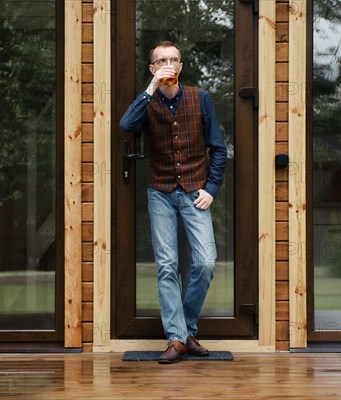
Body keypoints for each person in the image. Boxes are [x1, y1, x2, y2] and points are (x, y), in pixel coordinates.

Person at [119, 41, 227, 364]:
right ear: (153, 68)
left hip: (196, 191)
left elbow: (219, 148)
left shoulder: (200, 98)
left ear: (180, 66)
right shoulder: (147, 101)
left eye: (174, 60)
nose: (169, 64)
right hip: (160, 192)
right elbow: (126, 125)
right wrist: (151, 88)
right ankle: (178, 338)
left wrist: (211, 188)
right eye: (161, 61)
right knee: (167, 266)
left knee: (206, 262)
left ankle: (186, 328)